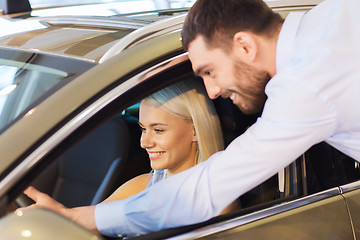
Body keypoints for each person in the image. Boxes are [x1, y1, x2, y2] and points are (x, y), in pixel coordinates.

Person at [21, 79, 240, 234]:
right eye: (144, 129)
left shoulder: (219, 202)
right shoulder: (140, 185)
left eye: (159, 130)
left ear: (194, 130)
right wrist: (54, 219)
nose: (144, 142)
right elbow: (84, 228)